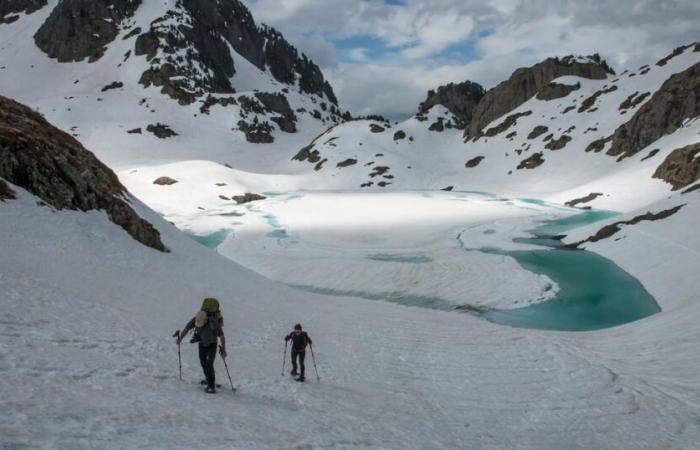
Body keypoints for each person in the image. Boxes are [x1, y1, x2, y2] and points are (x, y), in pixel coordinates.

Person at [177, 298, 227, 393]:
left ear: (205, 321)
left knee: (209, 364)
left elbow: (222, 336)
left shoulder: (213, 322)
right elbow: (187, 328)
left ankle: (211, 386)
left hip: (212, 344)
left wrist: (224, 350)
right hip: (202, 343)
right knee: (203, 362)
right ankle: (208, 379)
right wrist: (180, 338)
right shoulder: (197, 318)